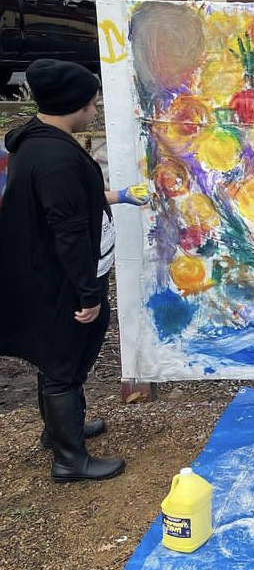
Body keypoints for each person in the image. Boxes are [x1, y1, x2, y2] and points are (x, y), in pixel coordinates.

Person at [0, 59, 150, 482]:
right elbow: (67, 229)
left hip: (52, 273)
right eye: (93, 100)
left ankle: (60, 432)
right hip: (62, 280)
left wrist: (117, 195)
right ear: (76, 105)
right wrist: (87, 294)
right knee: (64, 364)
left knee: (56, 360)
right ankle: (70, 459)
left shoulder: (38, 141)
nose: (96, 107)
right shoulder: (55, 155)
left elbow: (67, 201)